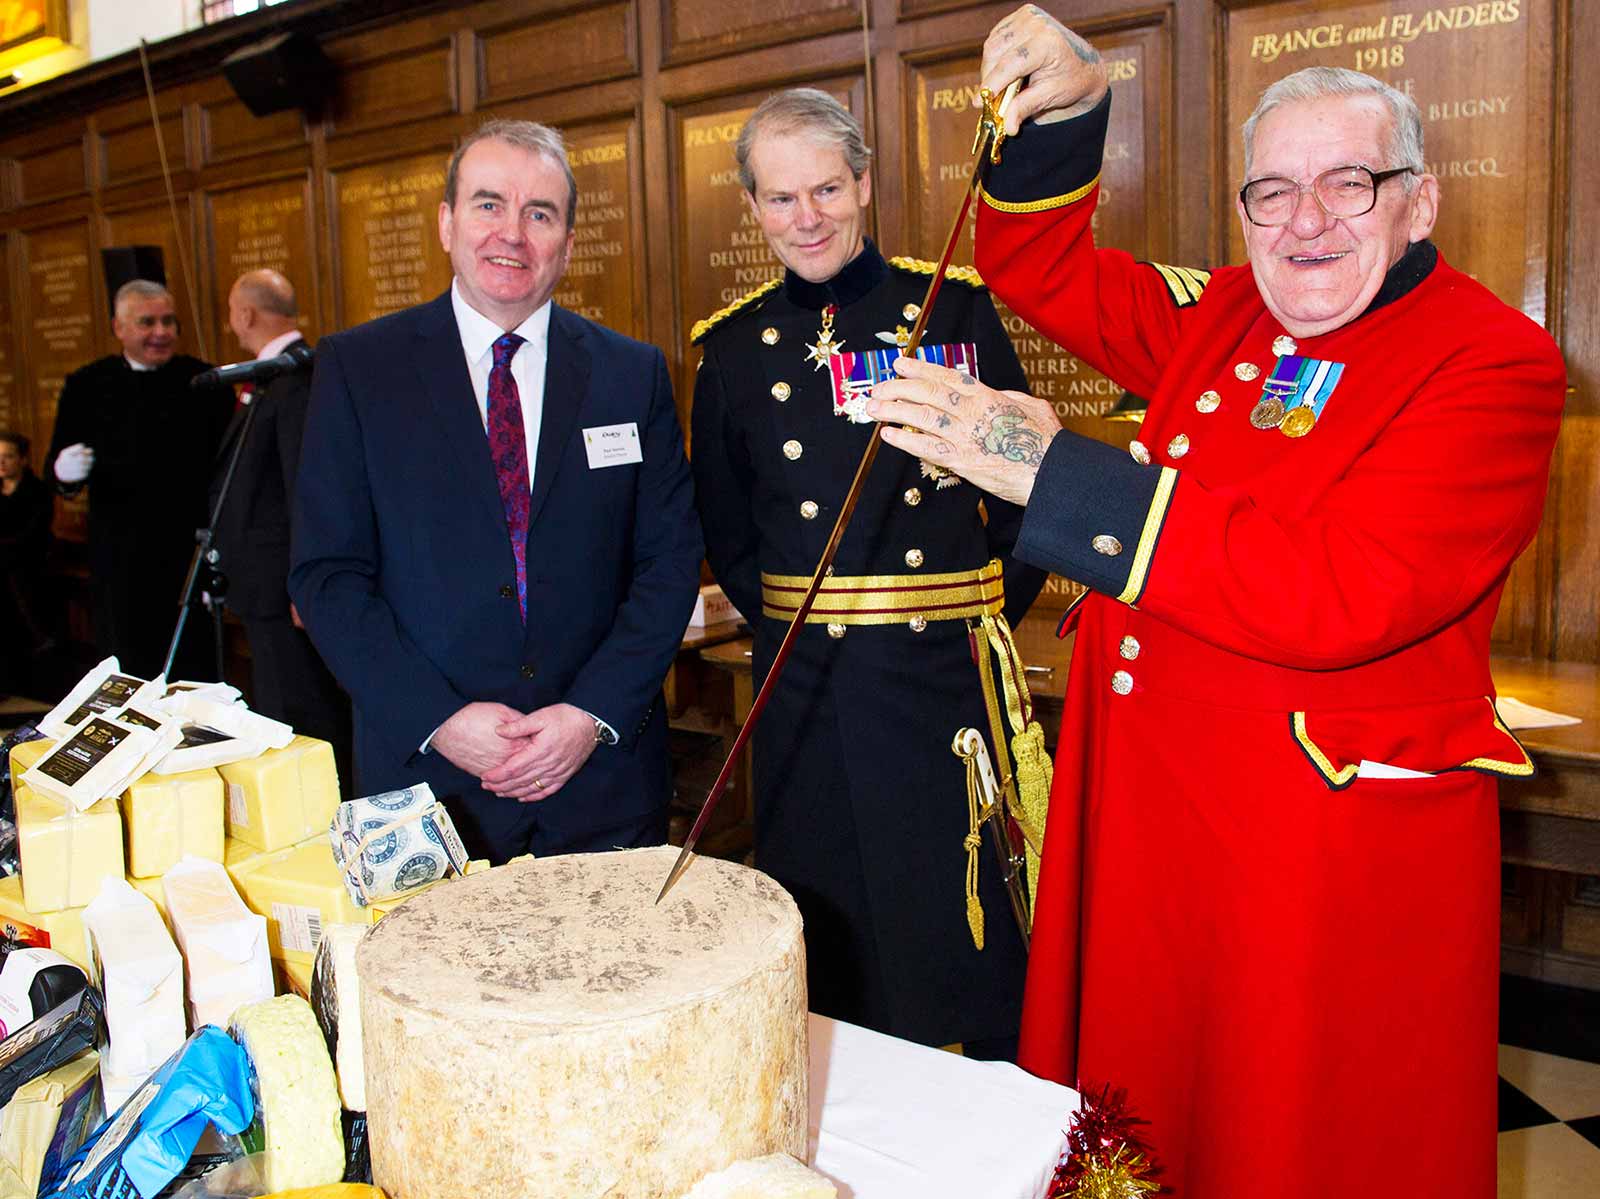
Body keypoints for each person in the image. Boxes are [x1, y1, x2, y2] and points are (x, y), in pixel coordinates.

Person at [865, 9, 1566, 1195]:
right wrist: (1079, 103)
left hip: (1305, 857)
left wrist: (1058, 475)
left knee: (1292, 1138)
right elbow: (1037, 268)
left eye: (1349, 184)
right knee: (1151, 1118)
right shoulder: (1226, 313)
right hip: (1149, 810)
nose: (1304, 223)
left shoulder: (1489, 363)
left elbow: (1341, 589)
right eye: (1270, 192)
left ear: (1420, 200)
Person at [690, 87, 1046, 1055]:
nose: (805, 218)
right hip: (805, 683)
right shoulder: (726, 351)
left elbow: (1027, 496)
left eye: (825, 190)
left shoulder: (953, 308)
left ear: (864, 183)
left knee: (961, 916)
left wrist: (978, 616)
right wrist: (802, 636)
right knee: (830, 920)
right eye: (779, 199)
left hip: (943, 681)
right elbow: (730, 529)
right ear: (754, 207)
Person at [290, 119, 702, 863]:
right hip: (423, 789)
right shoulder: (359, 370)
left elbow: (668, 564)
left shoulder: (631, 374)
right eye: (488, 204)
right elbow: (327, 575)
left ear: (568, 242)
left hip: (600, 778)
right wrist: (439, 719)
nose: (511, 233)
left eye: (539, 213)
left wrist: (589, 714)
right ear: (447, 222)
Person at [44, 280, 235, 679]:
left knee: (194, 672)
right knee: (128, 669)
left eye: (168, 321)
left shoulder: (203, 381)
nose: (161, 332)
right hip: (120, 560)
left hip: (188, 554)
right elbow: (57, 470)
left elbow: (229, 472)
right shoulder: (87, 384)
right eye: (147, 322)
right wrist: (64, 472)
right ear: (119, 327)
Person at [213, 269, 351, 771]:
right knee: (278, 704)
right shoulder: (272, 378)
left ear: (245, 314)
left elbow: (304, 486)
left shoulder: (297, 379)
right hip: (261, 581)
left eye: (232, 310)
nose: (232, 321)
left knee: (301, 712)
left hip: (283, 584)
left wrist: (303, 579)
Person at [0, 431, 54, 698]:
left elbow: (33, 534)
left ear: (22, 459)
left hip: (29, 566)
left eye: (8, 456)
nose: (2, 463)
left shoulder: (37, 490)